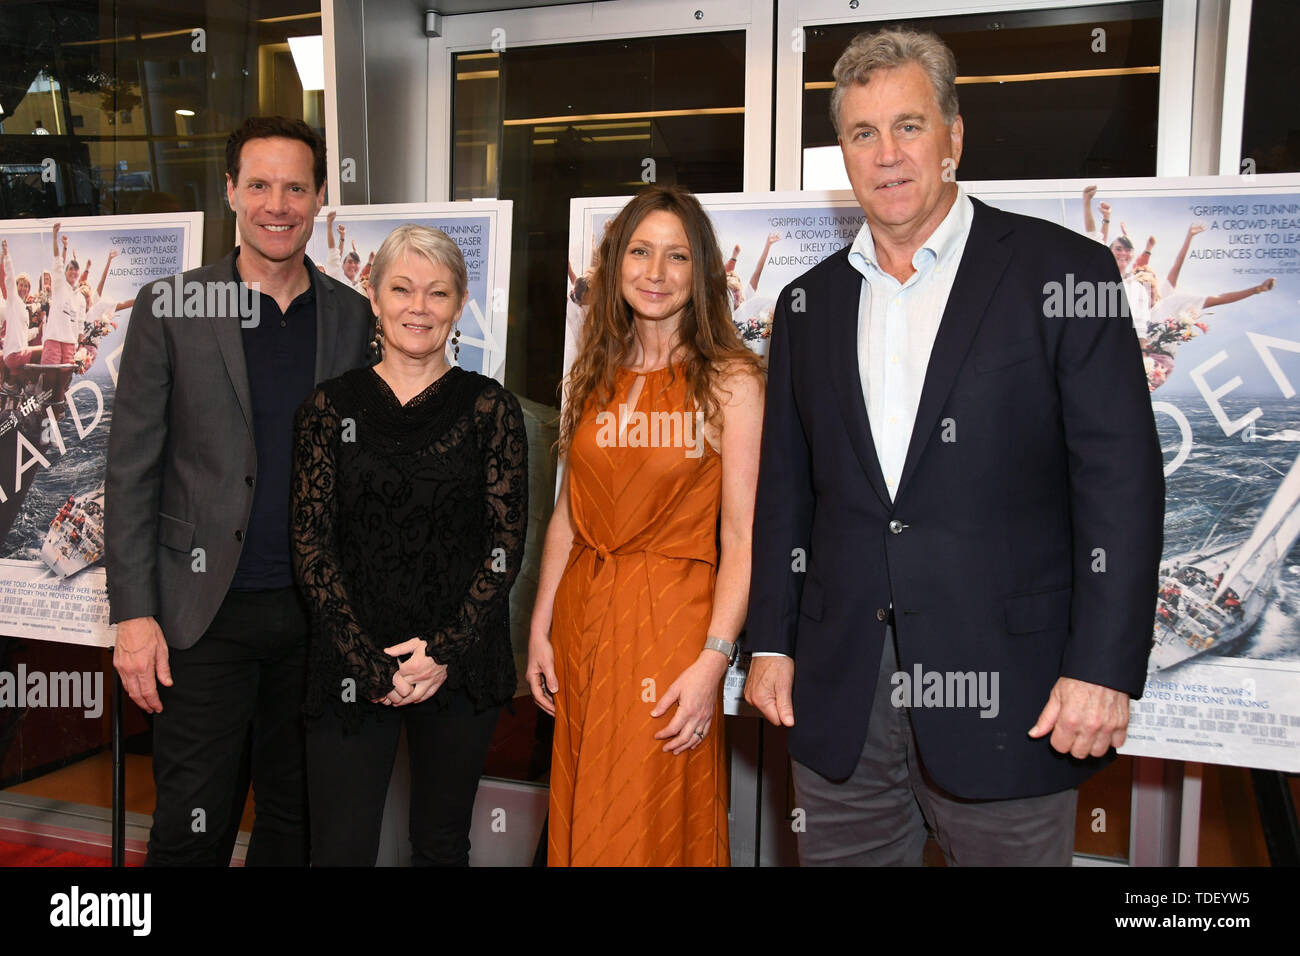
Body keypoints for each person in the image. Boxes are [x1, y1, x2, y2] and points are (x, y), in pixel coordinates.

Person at [744, 28, 1165, 866]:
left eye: (909, 125)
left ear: (954, 138)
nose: (888, 153)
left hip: (1015, 695)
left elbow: (1121, 483)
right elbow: (787, 491)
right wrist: (771, 642)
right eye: (863, 133)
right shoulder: (806, 305)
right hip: (839, 697)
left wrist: (1105, 667)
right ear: (843, 154)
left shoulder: (1065, 272)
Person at [105, 115, 373, 866]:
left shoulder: (352, 316)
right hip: (201, 620)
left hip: (315, 620)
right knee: (193, 825)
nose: (277, 204)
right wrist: (133, 616)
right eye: (259, 184)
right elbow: (129, 470)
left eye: (295, 186)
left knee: (296, 824)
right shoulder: (172, 308)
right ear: (230, 192)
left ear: (320, 198)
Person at [527, 184, 764, 866]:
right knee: (585, 809)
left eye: (677, 256)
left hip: (670, 628)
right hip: (583, 618)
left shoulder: (731, 380)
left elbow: (744, 537)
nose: (655, 272)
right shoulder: (592, 373)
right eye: (639, 251)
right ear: (614, 263)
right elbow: (569, 519)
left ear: (702, 273)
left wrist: (715, 661)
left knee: (639, 821)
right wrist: (540, 630)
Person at [291, 224, 528, 866]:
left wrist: (442, 652)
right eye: (401, 289)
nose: (418, 307)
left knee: (442, 844)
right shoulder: (327, 407)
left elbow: (505, 544)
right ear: (373, 295)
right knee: (340, 848)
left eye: (437, 292)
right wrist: (370, 665)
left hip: (459, 658)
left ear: (459, 304)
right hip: (349, 658)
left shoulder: (490, 409)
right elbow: (311, 546)